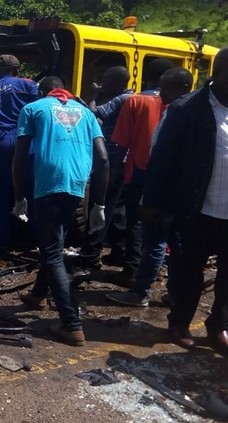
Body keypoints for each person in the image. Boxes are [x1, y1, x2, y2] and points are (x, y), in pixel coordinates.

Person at [11, 76, 109, 346]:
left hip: (49, 184)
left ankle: (72, 324)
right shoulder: (86, 112)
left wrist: (19, 197)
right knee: (54, 240)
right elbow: (102, 158)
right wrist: (99, 203)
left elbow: (20, 158)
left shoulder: (33, 108)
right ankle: (38, 295)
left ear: (43, 92)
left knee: (52, 252)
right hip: (77, 184)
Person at [142, 47, 228, 352]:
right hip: (196, 209)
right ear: (218, 73)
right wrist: (152, 202)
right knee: (189, 273)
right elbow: (162, 158)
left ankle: (217, 326)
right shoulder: (187, 109)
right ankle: (179, 323)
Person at [105, 67, 193, 307]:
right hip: (180, 189)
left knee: (153, 239)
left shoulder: (174, 114)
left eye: (166, 89)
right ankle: (175, 292)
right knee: (175, 242)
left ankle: (139, 291)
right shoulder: (192, 113)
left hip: (155, 183)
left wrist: (146, 192)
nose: (161, 93)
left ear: (182, 89)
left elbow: (159, 157)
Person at [108, 58, 174, 282]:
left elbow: (122, 143)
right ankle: (159, 269)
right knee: (166, 222)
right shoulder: (183, 104)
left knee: (135, 220)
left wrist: (114, 172)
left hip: (138, 169)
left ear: (148, 77)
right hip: (169, 173)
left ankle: (133, 269)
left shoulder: (135, 101)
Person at [0, 54, 38, 252]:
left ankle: (0, 242)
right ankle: (32, 239)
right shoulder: (28, 85)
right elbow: (41, 108)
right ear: (16, 69)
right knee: (29, 189)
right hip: (24, 141)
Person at [78, 66, 133, 270]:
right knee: (117, 209)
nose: (103, 85)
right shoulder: (127, 98)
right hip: (118, 158)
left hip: (110, 159)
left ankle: (90, 254)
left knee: (100, 204)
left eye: (106, 81)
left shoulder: (121, 99)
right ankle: (119, 251)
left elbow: (93, 114)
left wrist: (94, 95)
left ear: (117, 83)